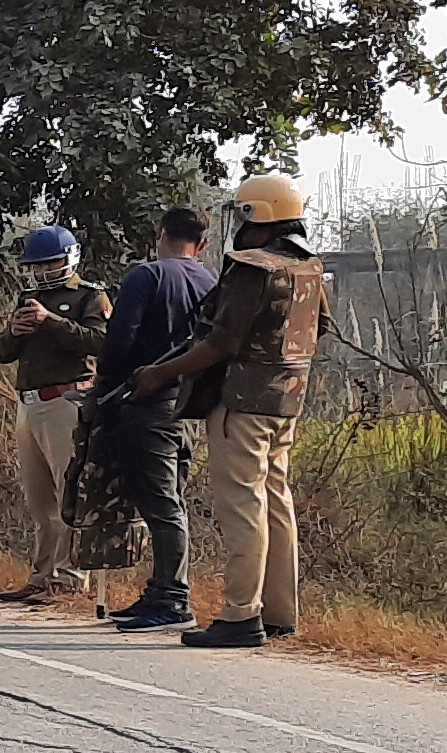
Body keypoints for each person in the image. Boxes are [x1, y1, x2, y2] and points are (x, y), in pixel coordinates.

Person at [128, 171, 328, 652]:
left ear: (253, 217)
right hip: (288, 402)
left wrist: (158, 373)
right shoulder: (309, 267)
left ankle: (241, 614)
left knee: (243, 507)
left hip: (243, 403)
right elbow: (320, 327)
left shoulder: (251, 267)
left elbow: (221, 342)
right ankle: (279, 612)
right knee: (277, 502)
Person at [90, 205, 219, 633]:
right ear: (202, 242)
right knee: (169, 496)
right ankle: (162, 588)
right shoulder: (211, 283)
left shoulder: (146, 276)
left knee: (161, 502)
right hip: (185, 405)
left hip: (145, 401)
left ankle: (172, 597)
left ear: (160, 233)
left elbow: (119, 339)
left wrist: (108, 382)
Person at [0, 225, 114, 605]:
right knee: (40, 497)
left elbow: (102, 342)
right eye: (36, 265)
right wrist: (14, 330)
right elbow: (3, 353)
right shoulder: (28, 297)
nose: (43, 271)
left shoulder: (89, 295)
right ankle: (42, 575)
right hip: (28, 402)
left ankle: (70, 576)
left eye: (51, 263)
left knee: (69, 489)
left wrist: (52, 321)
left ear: (70, 258)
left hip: (67, 399)